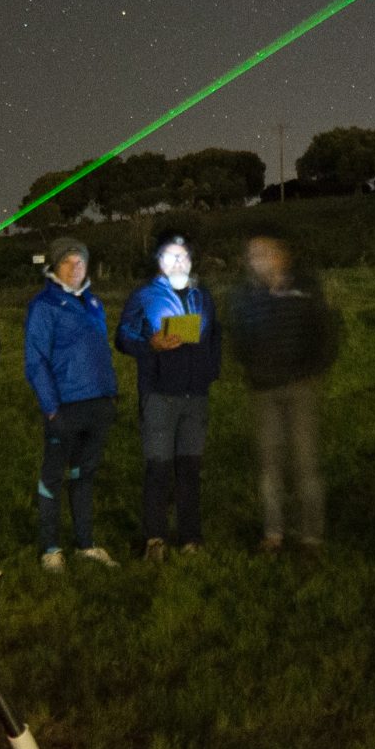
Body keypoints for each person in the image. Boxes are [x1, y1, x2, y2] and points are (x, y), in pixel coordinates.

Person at [224, 234, 338, 553]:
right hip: (263, 390)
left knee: (305, 463)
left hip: (300, 387)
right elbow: (238, 338)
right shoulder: (245, 296)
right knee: (269, 465)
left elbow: (325, 333)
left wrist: (313, 370)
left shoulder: (306, 288)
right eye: (251, 256)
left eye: (260, 254)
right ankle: (273, 534)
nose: (254, 261)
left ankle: (311, 536)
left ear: (279, 256)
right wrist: (252, 370)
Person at [115, 230, 221, 559]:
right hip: (159, 395)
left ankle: (191, 537)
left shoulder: (202, 296)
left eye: (183, 256)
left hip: (195, 395)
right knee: (158, 469)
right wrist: (150, 344)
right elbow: (122, 337)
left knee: (189, 469)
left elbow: (215, 336)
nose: (178, 261)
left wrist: (209, 372)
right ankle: (155, 538)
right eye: (171, 256)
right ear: (159, 261)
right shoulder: (144, 296)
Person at [24, 236, 119, 570]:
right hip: (64, 407)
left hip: (97, 404)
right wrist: (51, 408)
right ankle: (51, 549)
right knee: (53, 477)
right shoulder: (44, 306)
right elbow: (35, 360)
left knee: (84, 475)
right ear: (55, 267)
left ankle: (85, 543)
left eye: (80, 261)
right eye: (68, 262)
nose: (75, 267)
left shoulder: (93, 304)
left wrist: (109, 395)